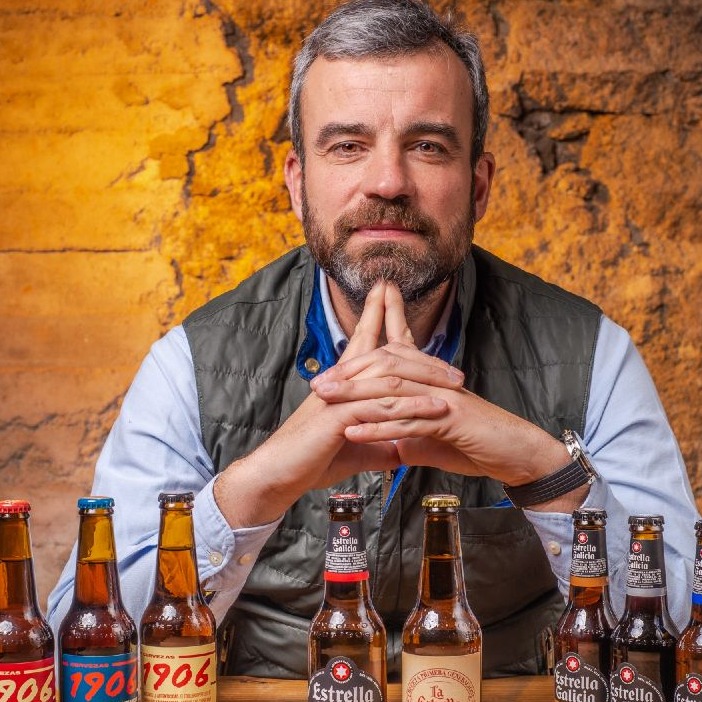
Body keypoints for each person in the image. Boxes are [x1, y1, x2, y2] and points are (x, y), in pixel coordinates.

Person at [48, 0, 699, 679]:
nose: (388, 182)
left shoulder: (595, 354)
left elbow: (687, 644)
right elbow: (81, 651)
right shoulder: (192, 362)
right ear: (298, 185)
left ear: (478, 187)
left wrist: (545, 473)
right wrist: (256, 487)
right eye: (348, 146)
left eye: (427, 145)